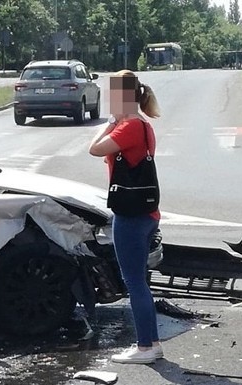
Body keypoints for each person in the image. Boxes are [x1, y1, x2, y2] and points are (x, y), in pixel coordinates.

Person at [88, 70, 163, 365]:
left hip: (131, 215)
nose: (108, 100)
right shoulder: (143, 125)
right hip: (144, 212)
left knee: (134, 282)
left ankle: (146, 347)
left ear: (124, 97)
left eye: (112, 95)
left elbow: (94, 149)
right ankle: (151, 342)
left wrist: (108, 124)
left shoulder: (128, 127)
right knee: (138, 280)